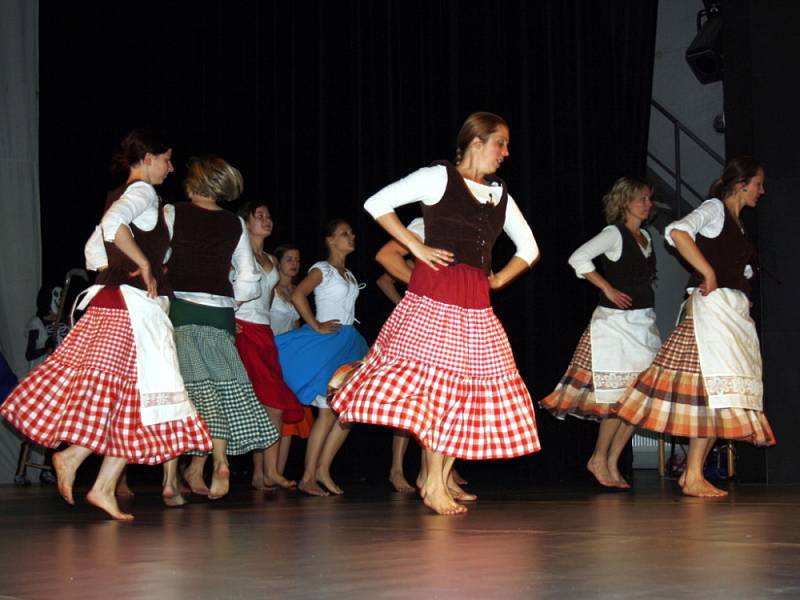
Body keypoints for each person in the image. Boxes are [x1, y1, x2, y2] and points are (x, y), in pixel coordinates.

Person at [331, 112, 541, 515]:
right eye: (501, 143)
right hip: (436, 297)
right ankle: (431, 480)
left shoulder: (499, 194)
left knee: (463, 394)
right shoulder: (438, 177)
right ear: (476, 142)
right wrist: (417, 244)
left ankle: (436, 477)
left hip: (476, 302)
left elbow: (529, 249)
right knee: (438, 392)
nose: (506, 153)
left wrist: (497, 281)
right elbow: (377, 203)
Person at [1, 130, 212, 519]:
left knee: (134, 396)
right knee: (146, 392)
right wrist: (145, 264)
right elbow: (112, 225)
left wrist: (125, 262)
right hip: (132, 307)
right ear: (146, 158)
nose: (169, 167)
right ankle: (82, 467)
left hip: (119, 302)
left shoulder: (123, 195)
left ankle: (94, 479)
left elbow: (95, 249)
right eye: (165, 159)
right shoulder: (141, 193)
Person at [611, 157, 776, 497]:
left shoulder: (736, 223)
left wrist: (739, 285)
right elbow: (677, 232)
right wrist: (709, 272)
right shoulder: (715, 208)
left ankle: (693, 474)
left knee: (722, 392)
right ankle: (693, 474)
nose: (763, 190)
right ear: (742, 183)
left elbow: (735, 266)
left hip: (730, 315)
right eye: (758, 183)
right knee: (711, 392)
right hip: (711, 316)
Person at [163, 157, 279, 501]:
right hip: (221, 316)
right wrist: (233, 303)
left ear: (192, 183)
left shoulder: (173, 212)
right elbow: (249, 279)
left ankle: (170, 481)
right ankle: (220, 461)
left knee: (178, 394)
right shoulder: (233, 224)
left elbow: (158, 257)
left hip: (181, 309)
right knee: (224, 389)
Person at [540, 177, 661, 488]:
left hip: (643, 324)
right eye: (642, 199)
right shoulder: (614, 234)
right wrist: (607, 287)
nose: (648, 204)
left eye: (649, 199)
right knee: (617, 398)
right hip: (615, 326)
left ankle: (610, 461)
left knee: (637, 401)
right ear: (625, 202)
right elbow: (578, 258)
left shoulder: (645, 236)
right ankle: (598, 457)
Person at [375, 218, 471, 497]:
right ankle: (427, 476)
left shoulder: (472, 226)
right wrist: (431, 284)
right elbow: (386, 259)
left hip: (462, 316)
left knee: (456, 397)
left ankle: (439, 476)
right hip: (428, 318)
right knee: (425, 399)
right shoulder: (428, 222)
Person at [275, 220, 368, 496]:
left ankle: (322, 471)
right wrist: (315, 325)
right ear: (330, 240)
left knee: (346, 413)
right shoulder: (322, 269)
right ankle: (308, 476)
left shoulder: (349, 275)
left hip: (349, 343)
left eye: (352, 232)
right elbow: (298, 294)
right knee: (326, 411)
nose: (351, 236)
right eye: (344, 233)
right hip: (328, 344)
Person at [234, 201, 304, 490]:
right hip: (244, 327)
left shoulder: (271, 261)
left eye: (268, 215)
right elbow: (224, 286)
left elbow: (276, 301)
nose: (266, 220)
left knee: (268, 404)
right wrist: (228, 317)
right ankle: (271, 471)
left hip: (265, 333)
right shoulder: (238, 255)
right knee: (273, 403)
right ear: (245, 222)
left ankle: (262, 474)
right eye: (259, 216)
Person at [269, 244, 315, 476]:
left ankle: (279, 471)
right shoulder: (270, 289)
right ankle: (265, 472)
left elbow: (297, 327)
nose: (294, 263)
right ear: (278, 262)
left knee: (289, 416)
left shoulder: (297, 291)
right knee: (270, 413)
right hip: (269, 353)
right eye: (289, 259)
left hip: (289, 359)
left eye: (297, 259)